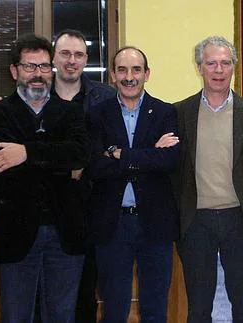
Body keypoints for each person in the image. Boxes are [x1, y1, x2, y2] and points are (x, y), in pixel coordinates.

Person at [0, 33, 90, 322]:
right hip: (15, 233)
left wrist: (26, 152)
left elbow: (78, 156)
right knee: (15, 316)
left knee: (62, 315)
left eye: (43, 67)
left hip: (65, 233)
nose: (37, 75)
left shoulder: (71, 113)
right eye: (29, 67)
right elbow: (7, 168)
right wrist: (58, 161)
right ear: (15, 71)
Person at [174, 36, 243, 323]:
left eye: (225, 63)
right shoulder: (179, 112)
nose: (218, 70)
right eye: (211, 63)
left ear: (233, 68)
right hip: (196, 221)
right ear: (199, 67)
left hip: (238, 219)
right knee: (199, 304)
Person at [86, 46, 179, 323]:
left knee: (155, 308)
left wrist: (119, 154)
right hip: (111, 225)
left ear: (147, 74)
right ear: (112, 75)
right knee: (114, 309)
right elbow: (96, 167)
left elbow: (170, 160)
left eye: (136, 70)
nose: (129, 77)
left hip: (155, 224)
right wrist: (149, 154)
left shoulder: (165, 113)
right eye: (122, 70)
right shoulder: (97, 114)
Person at [52, 29, 117, 323]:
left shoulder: (105, 96)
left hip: (91, 211)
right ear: (54, 57)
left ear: (86, 59)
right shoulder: (37, 93)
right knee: (47, 293)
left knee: (85, 294)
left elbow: (113, 148)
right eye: (65, 53)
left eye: (78, 55)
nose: (71, 61)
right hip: (46, 212)